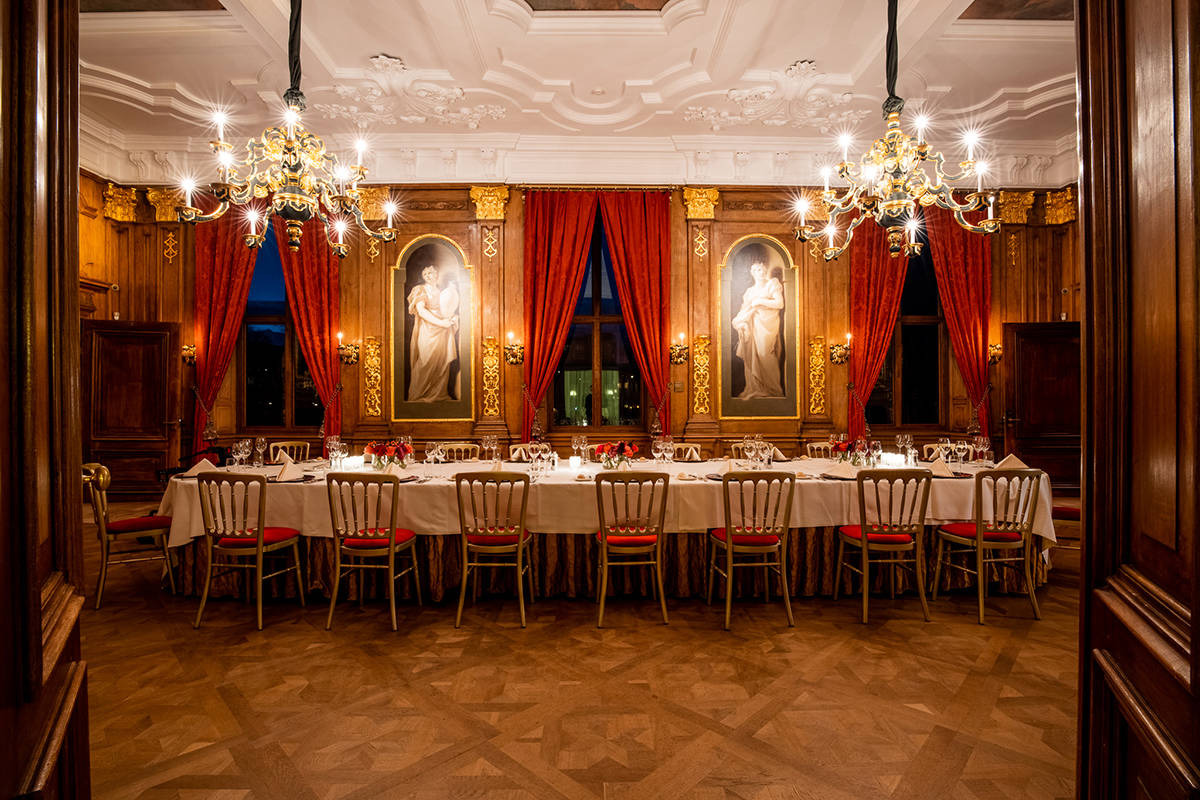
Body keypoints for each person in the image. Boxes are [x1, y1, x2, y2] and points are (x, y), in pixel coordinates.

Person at [731, 250, 784, 399]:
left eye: (763, 269)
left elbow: (779, 303)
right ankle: (755, 388)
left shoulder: (772, 284)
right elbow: (744, 309)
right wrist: (740, 322)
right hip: (753, 326)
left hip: (767, 326)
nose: (762, 272)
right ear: (752, 272)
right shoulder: (749, 291)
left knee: (764, 354)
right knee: (752, 356)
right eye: (758, 269)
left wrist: (760, 302)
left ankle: (774, 390)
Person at [407, 263, 459, 402]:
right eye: (426, 274)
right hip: (428, 330)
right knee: (425, 362)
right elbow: (422, 311)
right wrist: (441, 323)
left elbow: (446, 309)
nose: (429, 276)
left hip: (443, 332)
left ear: (437, 274)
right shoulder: (420, 289)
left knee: (442, 363)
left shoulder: (442, 291)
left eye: (431, 273)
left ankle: (439, 395)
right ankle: (417, 396)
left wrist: (452, 318)